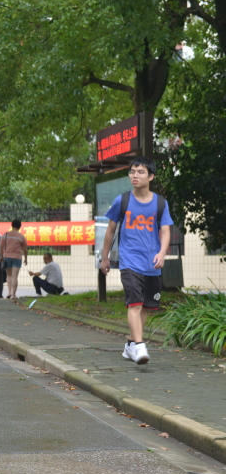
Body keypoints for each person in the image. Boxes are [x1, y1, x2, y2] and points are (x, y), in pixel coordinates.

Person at [100, 156, 172, 366]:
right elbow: (110, 230)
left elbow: (166, 231)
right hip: (129, 261)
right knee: (135, 303)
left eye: (140, 172)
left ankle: (131, 344)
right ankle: (140, 345)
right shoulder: (122, 200)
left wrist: (162, 253)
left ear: (151, 176)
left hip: (152, 263)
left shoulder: (160, 203)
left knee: (146, 306)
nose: (135, 175)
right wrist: (105, 258)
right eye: (132, 171)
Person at [1, 219, 28, 299]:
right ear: (20, 227)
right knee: (14, 276)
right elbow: (25, 249)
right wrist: (26, 259)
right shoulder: (21, 236)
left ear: (12, 225)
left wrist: (1, 256)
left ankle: (9, 292)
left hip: (7, 257)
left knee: (9, 275)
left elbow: (1, 246)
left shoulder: (6, 235)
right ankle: (13, 294)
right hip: (17, 258)